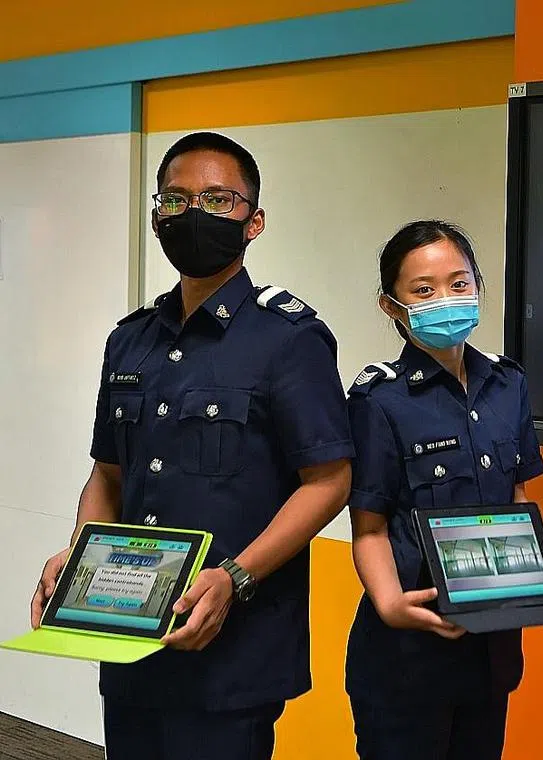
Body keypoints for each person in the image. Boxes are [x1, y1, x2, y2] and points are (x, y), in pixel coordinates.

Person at [29, 132, 354, 760]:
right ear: (158, 216)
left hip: (232, 648)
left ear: (254, 222)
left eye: (217, 199)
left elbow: (329, 481)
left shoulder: (289, 339)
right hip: (131, 631)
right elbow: (107, 475)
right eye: (175, 200)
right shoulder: (131, 340)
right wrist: (78, 559)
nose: (192, 213)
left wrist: (235, 577)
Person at [345, 220, 543, 759]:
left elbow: (514, 499)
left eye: (459, 283)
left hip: (491, 647)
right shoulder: (379, 400)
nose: (446, 300)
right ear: (391, 306)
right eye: (423, 290)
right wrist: (389, 604)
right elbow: (369, 529)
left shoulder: (508, 384)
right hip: (407, 652)